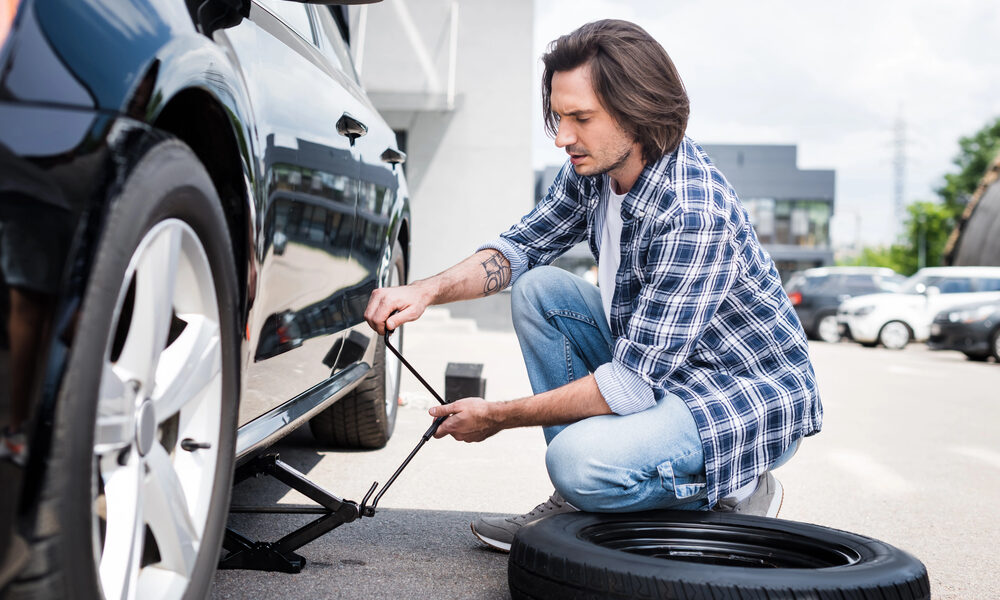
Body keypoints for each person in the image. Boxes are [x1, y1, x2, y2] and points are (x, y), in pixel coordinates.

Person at [364, 19, 822, 553]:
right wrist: (424, 291)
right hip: (660, 370)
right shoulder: (594, 171)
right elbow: (519, 249)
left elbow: (628, 386)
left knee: (576, 463)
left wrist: (497, 416)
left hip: (737, 396)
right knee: (541, 290)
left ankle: (738, 488)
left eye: (581, 118)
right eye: (559, 118)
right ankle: (581, 499)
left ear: (638, 111)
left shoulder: (691, 212)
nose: (562, 138)